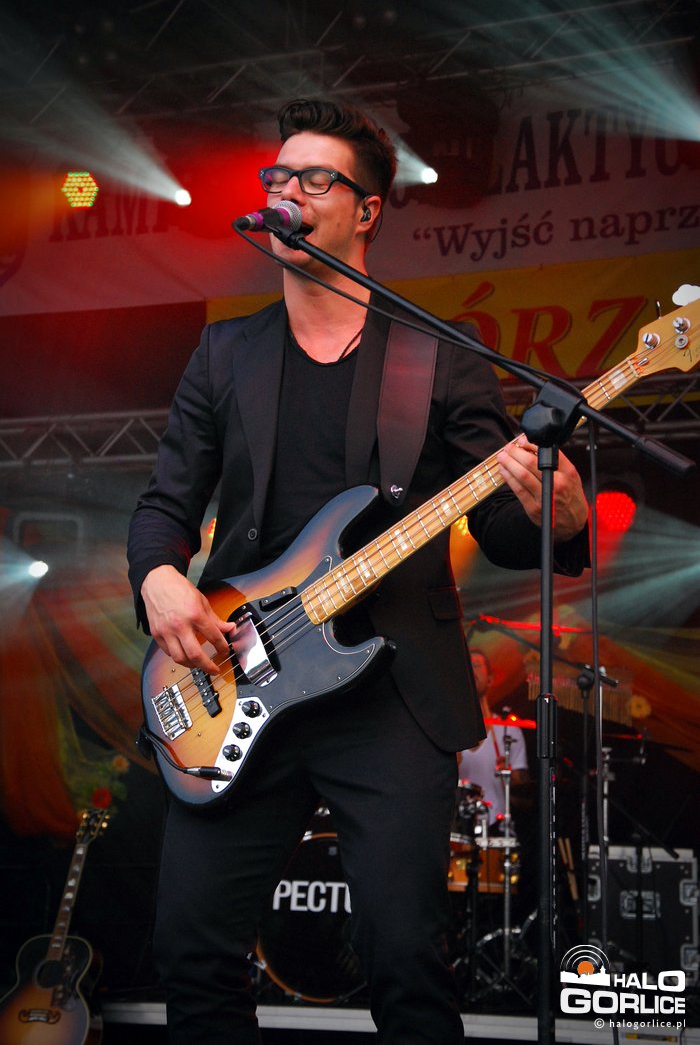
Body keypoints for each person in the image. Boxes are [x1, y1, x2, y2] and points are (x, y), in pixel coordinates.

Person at [127, 97, 590, 1045]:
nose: (285, 193)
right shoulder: (227, 351)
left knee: (408, 965)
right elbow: (166, 506)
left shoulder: (437, 356)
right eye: (278, 176)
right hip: (240, 673)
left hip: (390, 694)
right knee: (191, 954)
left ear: (367, 210)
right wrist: (159, 580)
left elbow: (502, 526)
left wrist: (562, 515)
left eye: (313, 179)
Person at [457, 649, 530, 828]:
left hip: (496, 827)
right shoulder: (449, 727)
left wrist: (509, 774)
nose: (471, 670)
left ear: (490, 679)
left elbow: (524, 791)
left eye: (476, 665)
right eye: (467, 665)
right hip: (455, 827)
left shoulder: (508, 729)